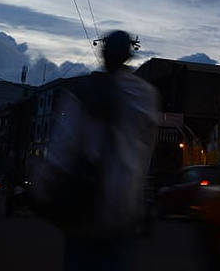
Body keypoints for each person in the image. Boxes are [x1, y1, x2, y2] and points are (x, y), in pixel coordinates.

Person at [31, 30, 159, 271]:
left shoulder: (83, 91)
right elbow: (145, 153)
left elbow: (62, 148)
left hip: (85, 205)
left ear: (104, 52)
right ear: (128, 55)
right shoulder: (144, 96)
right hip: (123, 208)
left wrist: (43, 186)